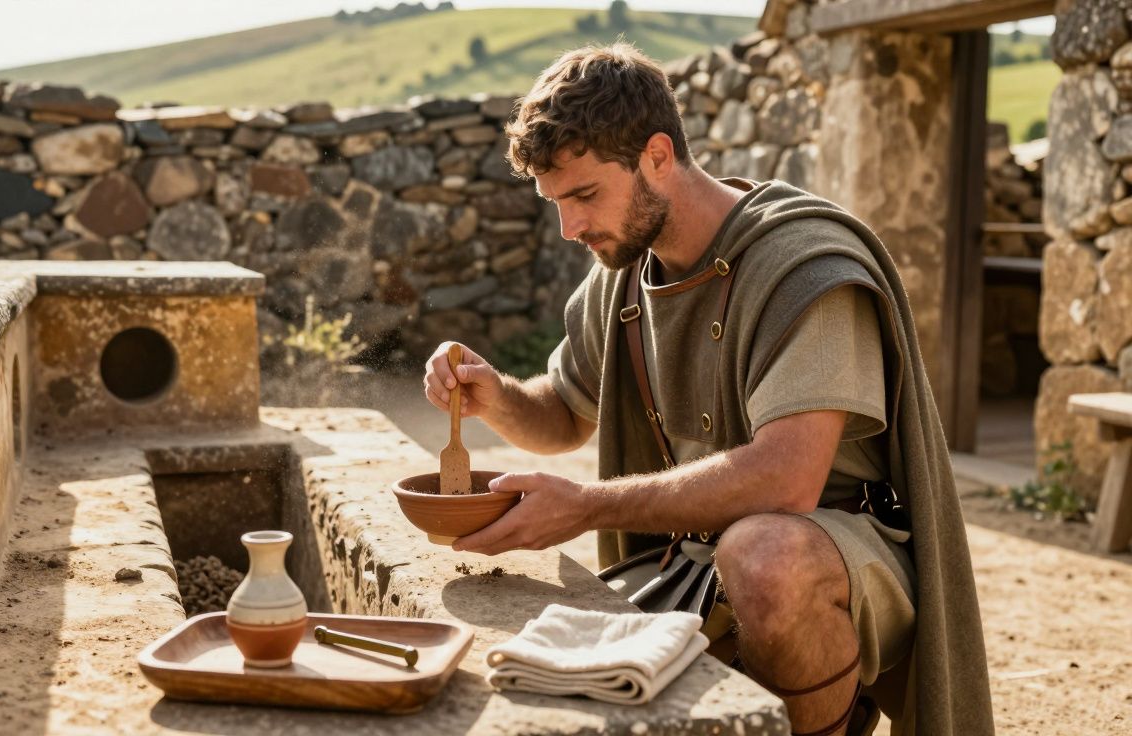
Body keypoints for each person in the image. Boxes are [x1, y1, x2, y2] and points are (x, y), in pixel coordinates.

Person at [422, 43, 992, 736]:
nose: (569, 228)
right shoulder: (624, 273)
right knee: (547, 668)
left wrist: (585, 508)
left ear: (658, 156)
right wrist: (496, 395)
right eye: (555, 204)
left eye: (583, 195)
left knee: (763, 557)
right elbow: (564, 414)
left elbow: (788, 481)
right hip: (691, 561)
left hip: (838, 552)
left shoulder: (802, 267)